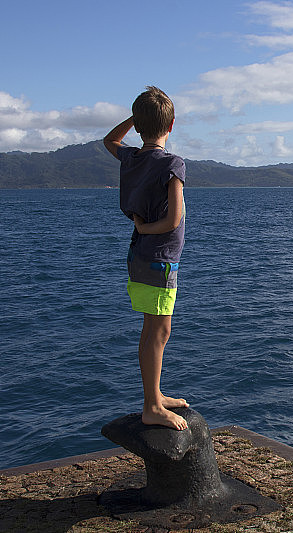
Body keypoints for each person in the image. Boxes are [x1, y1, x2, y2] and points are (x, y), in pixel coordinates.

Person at [103, 86, 189, 431]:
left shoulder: (133, 157)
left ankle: (155, 394)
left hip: (140, 254)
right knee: (157, 331)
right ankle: (152, 405)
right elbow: (173, 222)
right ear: (172, 125)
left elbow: (110, 140)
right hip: (160, 257)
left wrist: (137, 119)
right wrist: (148, 226)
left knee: (156, 329)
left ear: (138, 127)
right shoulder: (172, 163)